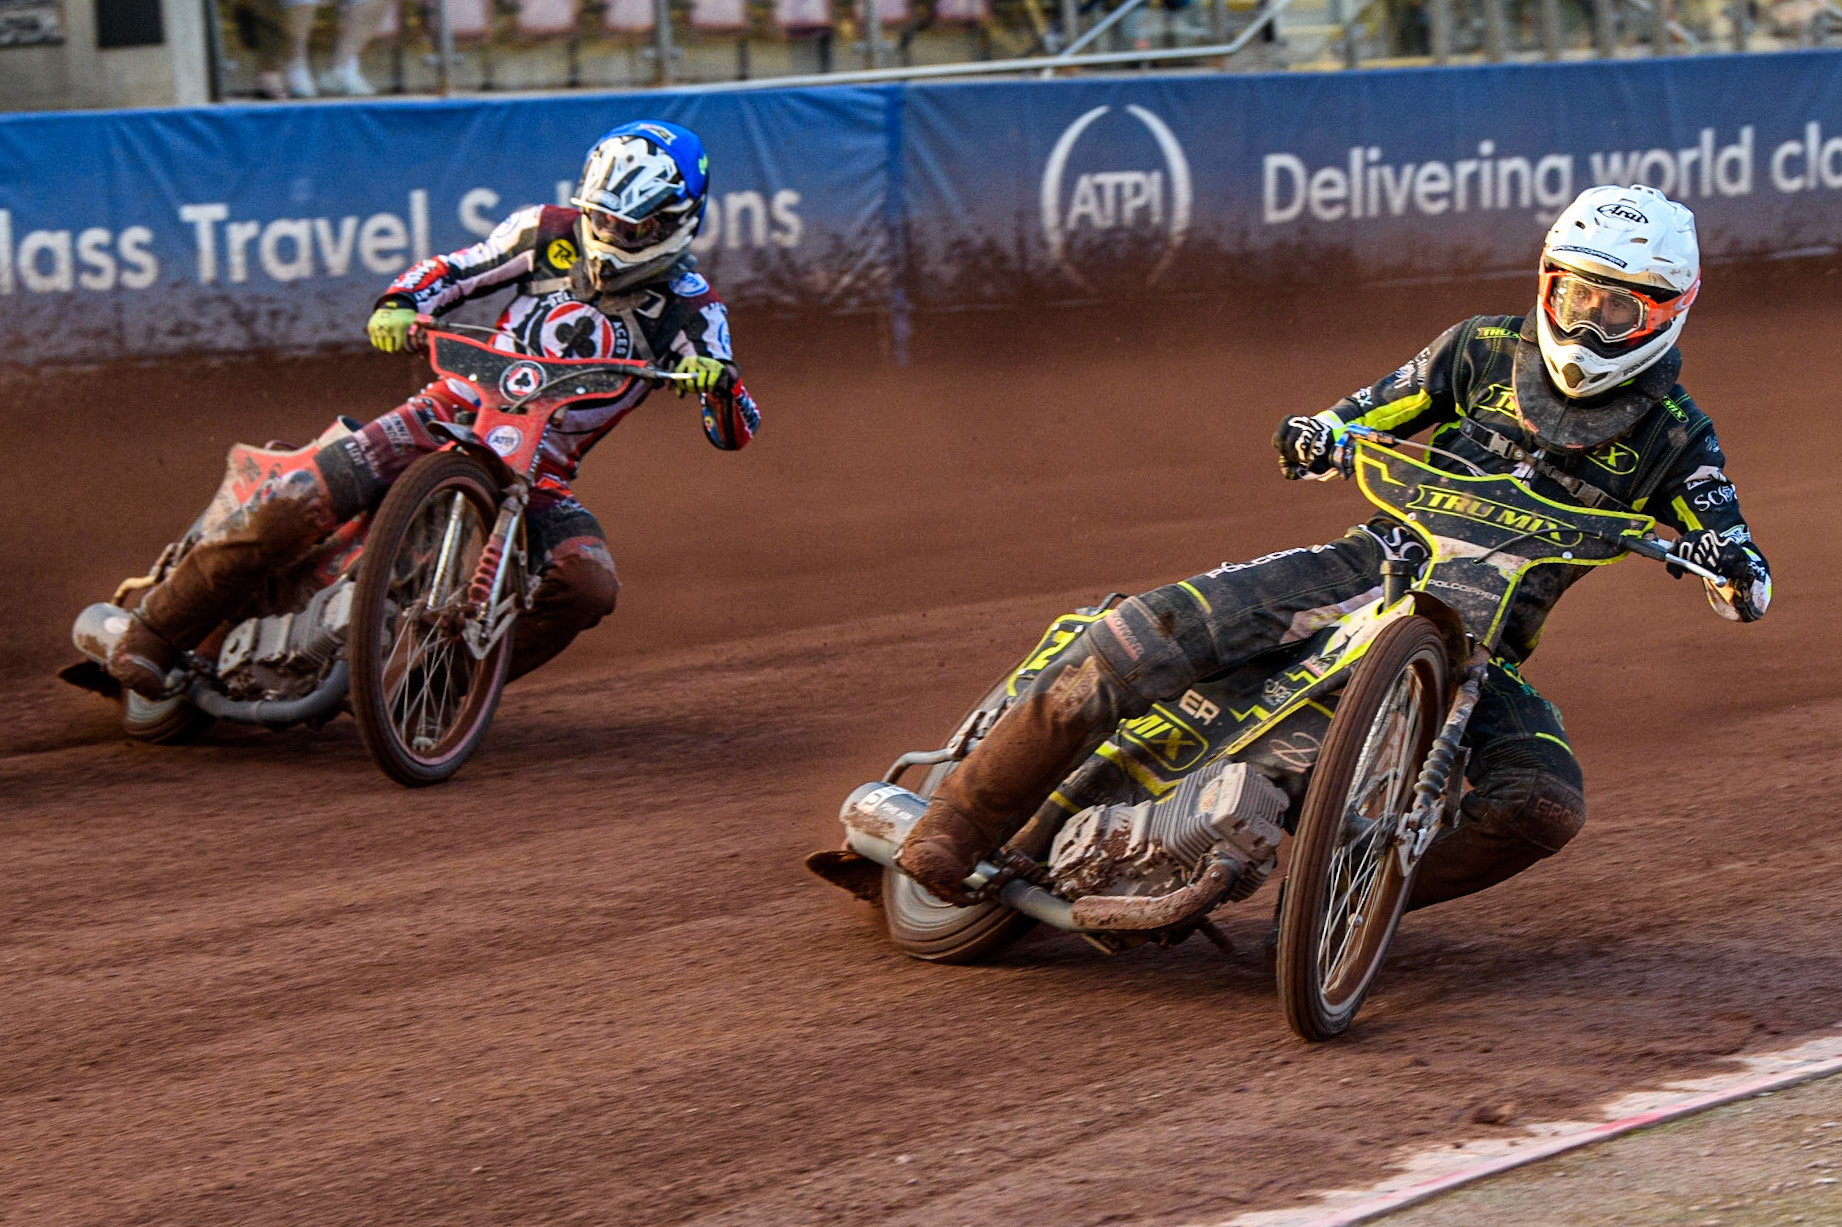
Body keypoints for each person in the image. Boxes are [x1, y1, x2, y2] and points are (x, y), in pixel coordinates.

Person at [891, 183, 1770, 911]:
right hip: (1363, 568)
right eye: (1574, 295)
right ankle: (956, 824)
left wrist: (1734, 571)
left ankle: (1350, 895)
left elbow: (1735, 549)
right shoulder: (1480, 347)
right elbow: (1363, 409)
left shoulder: (1677, 437)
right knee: (1141, 633)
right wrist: (1319, 433)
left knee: (1542, 804)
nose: (1589, 322)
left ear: (1667, 311)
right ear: (1546, 284)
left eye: (1618, 307)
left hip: (1482, 650)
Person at [106, 120, 759, 700]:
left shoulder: (694, 311)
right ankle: (155, 629)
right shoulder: (547, 232)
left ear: (676, 221)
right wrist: (401, 302)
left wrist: (716, 386)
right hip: (448, 411)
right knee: (299, 494)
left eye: (631, 226)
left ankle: (445, 688)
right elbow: (454, 269)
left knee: (588, 584)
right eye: (603, 218)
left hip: (542, 473)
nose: (610, 235)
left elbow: (734, 431)